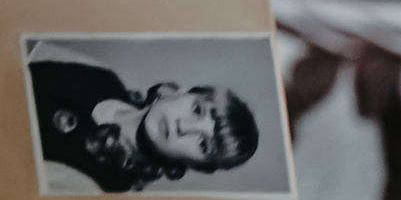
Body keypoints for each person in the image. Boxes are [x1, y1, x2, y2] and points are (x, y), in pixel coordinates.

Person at [27, 48, 261, 191]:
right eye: (197, 110)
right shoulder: (104, 75)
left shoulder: (97, 187)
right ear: (183, 92)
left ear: (196, 165)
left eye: (202, 144)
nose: (183, 126)